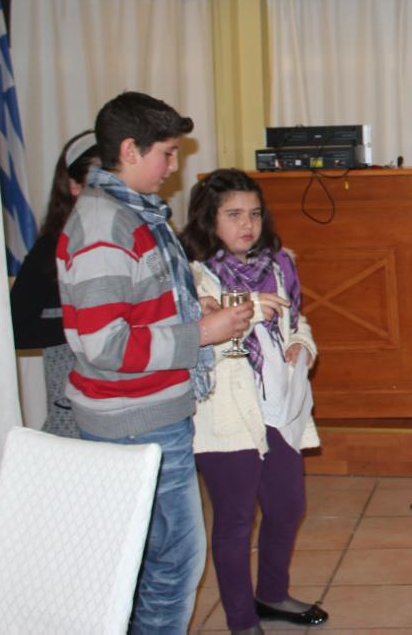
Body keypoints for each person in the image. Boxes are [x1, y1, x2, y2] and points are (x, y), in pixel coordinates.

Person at [57, 91, 253, 633]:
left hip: (149, 411)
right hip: (135, 420)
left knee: (150, 562)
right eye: (166, 154)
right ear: (129, 150)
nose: (173, 168)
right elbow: (104, 344)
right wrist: (201, 333)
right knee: (173, 566)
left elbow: (140, 304)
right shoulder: (105, 225)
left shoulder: (132, 212)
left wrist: (190, 308)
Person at [180, 169, 327, 634]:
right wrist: (245, 309)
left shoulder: (279, 264)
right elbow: (196, 342)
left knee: (287, 506)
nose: (248, 224)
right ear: (208, 219)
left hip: (276, 407)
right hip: (224, 414)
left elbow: (297, 322)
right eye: (234, 215)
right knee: (236, 520)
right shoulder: (191, 275)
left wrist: (302, 346)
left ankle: (271, 594)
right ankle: (242, 620)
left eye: (255, 214)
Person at [9, 130, 100, 438]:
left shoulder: (140, 238)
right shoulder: (51, 250)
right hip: (74, 411)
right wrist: (84, 324)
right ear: (75, 186)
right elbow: (17, 328)